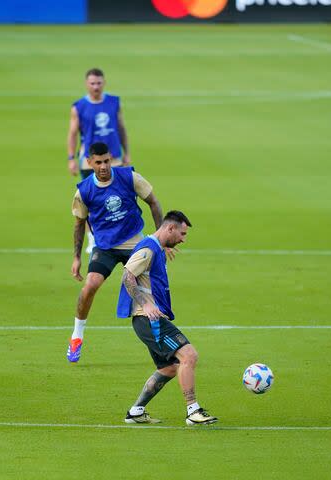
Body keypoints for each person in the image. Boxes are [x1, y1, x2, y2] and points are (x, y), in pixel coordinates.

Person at [117, 211, 217, 426]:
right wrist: (146, 303)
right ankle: (193, 411)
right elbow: (127, 276)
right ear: (169, 228)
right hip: (148, 319)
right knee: (188, 356)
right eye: (181, 233)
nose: (183, 238)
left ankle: (135, 411)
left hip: (149, 319)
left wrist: (165, 247)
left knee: (170, 367)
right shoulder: (147, 249)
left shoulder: (157, 248)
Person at [68, 141, 165, 363]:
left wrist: (159, 240)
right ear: (89, 162)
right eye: (98, 162)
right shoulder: (84, 191)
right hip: (106, 247)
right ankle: (76, 336)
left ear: (111, 159)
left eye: (107, 161)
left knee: (150, 291)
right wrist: (76, 257)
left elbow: (154, 202)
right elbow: (78, 224)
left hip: (134, 244)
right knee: (90, 286)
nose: (103, 166)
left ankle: (158, 337)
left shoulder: (128, 177)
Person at [67, 68, 131, 254]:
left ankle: (120, 233)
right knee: (92, 201)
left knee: (120, 196)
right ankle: (92, 239)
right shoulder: (78, 107)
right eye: (92, 83)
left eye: (99, 83)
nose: (96, 86)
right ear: (87, 84)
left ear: (104, 83)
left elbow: (121, 127)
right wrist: (71, 158)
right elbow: (72, 133)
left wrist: (127, 152)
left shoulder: (114, 102)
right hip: (89, 161)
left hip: (114, 158)